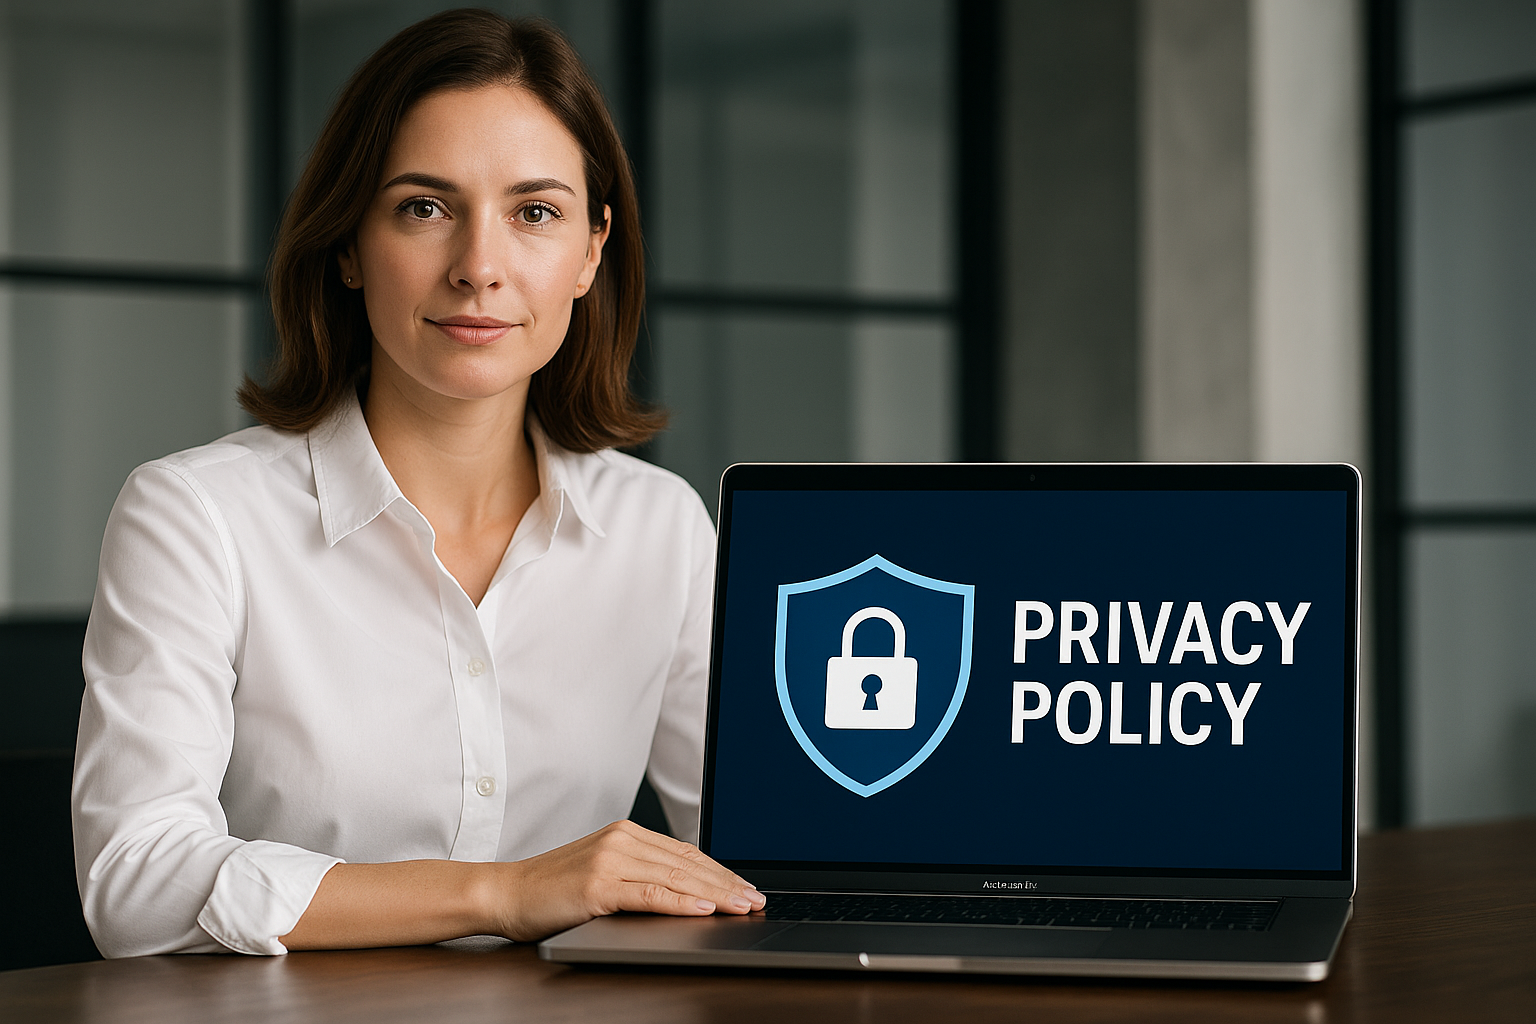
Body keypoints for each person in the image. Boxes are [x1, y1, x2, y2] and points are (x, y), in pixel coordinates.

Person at [72, 9, 763, 958]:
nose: (479, 268)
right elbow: (135, 885)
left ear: (591, 252)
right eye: (424, 208)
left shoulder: (663, 528)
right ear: (349, 246)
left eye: (535, 213)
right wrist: (506, 893)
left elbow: (755, 861)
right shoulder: (196, 517)